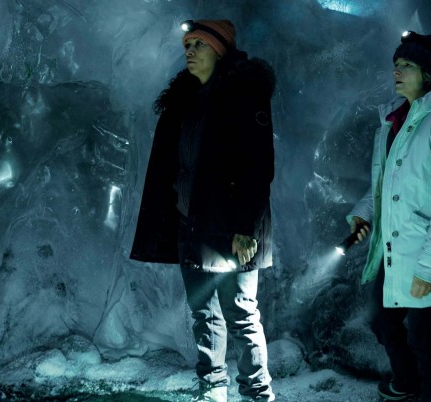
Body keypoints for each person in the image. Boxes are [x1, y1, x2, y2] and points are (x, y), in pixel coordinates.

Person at [130, 19, 276, 402]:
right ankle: (212, 390)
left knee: (241, 314)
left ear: (220, 49)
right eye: (187, 46)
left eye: (199, 44)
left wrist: (245, 229)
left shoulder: (244, 94)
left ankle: (258, 394)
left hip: (233, 231)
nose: (190, 51)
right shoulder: (185, 100)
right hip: (191, 226)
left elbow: (258, 167)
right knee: (204, 313)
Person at [346, 31, 431, 402]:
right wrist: (363, 215)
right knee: (382, 321)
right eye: (396, 64)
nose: (397, 72)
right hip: (396, 247)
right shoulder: (394, 122)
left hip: (430, 250)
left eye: (407, 65)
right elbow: (385, 185)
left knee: (422, 336)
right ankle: (407, 381)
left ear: (429, 74)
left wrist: (428, 269)